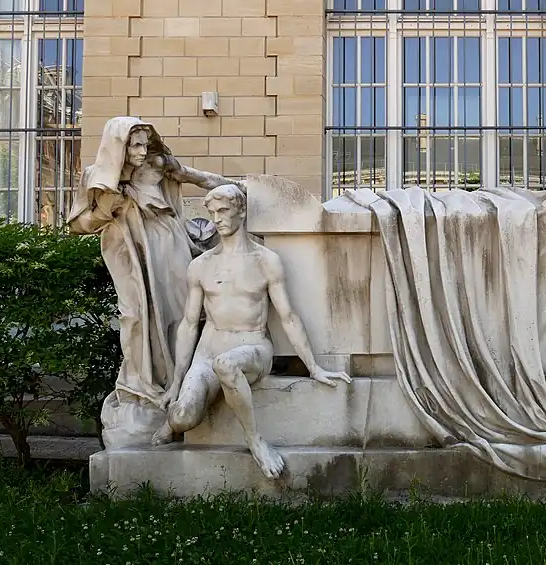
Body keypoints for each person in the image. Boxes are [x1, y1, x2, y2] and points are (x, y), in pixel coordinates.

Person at [151, 184, 352, 479]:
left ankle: (255, 441)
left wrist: (314, 367)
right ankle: (173, 421)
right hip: (208, 352)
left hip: (253, 348)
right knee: (183, 417)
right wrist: (175, 383)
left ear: (241, 212)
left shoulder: (265, 261)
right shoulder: (201, 266)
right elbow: (189, 324)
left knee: (227, 364)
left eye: (224, 211)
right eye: (212, 213)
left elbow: (288, 316)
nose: (216, 219)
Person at [67, 117, 243, 448]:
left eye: (145, 143)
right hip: (126, 251)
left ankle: (180, 387)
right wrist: (112, 205)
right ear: (118, 144)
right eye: (134, 144)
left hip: (168, 243)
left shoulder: (157, 164)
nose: (141, 150)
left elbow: (198, 177)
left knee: (178, 313)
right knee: (134, 317)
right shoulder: (97, 177)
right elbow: (79, 223)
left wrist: (238, 187)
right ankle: (141, 387)